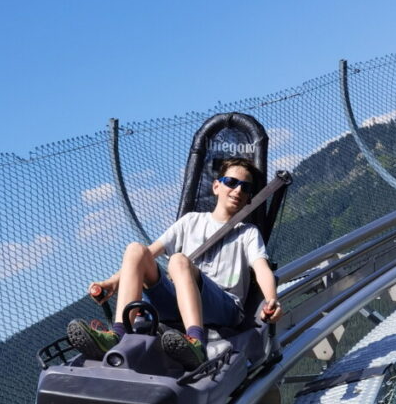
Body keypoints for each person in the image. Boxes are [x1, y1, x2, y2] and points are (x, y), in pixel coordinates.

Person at [68, 158, 283, 370]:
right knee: (136, 249)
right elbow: (148, 254)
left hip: (224, 307)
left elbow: (262, 268)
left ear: (248, 199)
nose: (237, 190)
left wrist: (271, 300)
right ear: (216, 186)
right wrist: (111, 282)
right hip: (178, 302)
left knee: (179, 260)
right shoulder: (190, 221)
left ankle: (195, 342)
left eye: (245, 188)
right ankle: (118, 334)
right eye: (231, 182)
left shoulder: (248, 233)